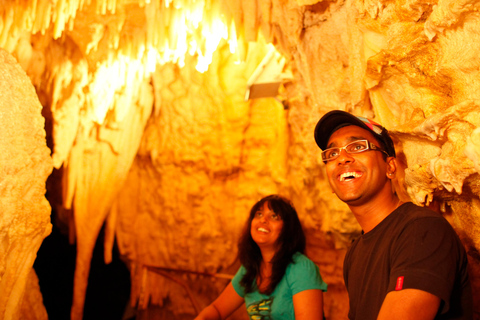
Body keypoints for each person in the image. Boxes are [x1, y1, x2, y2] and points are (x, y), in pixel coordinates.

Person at [314, 110, 473, 320]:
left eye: (358, 147)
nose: (342, 158)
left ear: (390, 167)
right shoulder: (355, 253)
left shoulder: (421, 230)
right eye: (332, 153)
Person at [195, 194, 327, 320]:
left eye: (274, 216)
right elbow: (217, 309)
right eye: (259, 214)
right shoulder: (251, 268)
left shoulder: (301, 268)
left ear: (288, 229)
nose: (263, 220)